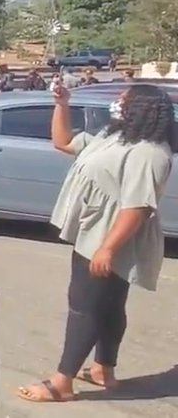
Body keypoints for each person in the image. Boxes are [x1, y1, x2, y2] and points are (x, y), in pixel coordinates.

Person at [17, 82, 174, 403]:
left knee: (84, 307)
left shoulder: (149, 153)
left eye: (124, 100)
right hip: (94, 233)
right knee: (109, 304)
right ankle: (104, 369)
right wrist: (62, 104)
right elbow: (62, 142)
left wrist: (108, 247)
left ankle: (61, 383)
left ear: (142, 108)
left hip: (111, 236)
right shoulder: (113, 136)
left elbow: (139, 206)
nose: (117, 103)